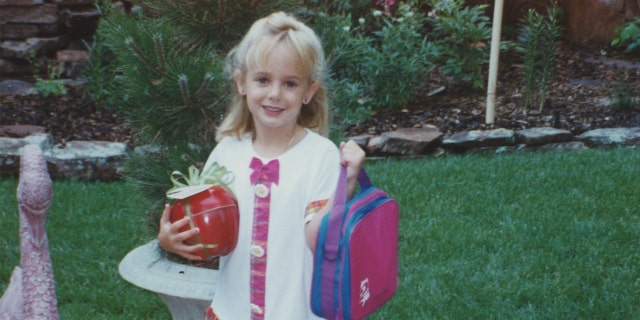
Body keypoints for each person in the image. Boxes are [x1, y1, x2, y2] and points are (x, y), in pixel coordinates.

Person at [157, 11, 366, 319]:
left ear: (309, 91)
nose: (275, 94)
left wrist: (344, 186)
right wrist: (174, 238)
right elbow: (207, 228)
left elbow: (317, 240)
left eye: (290, 83)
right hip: (233, 309)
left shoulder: (320, 156)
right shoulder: (226, 153)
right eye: (263, 79)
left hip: (294, 310)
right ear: (242, 82)